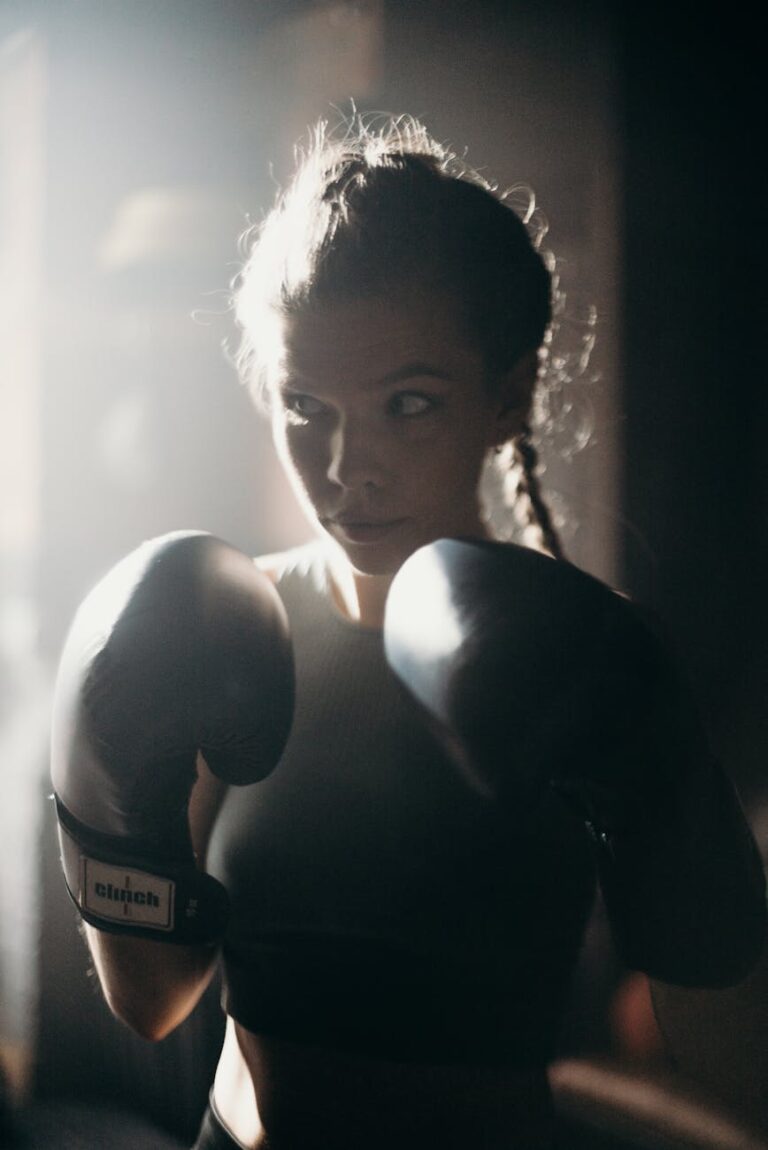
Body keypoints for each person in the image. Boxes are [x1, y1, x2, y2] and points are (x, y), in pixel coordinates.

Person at [50, 115, 766, 1150]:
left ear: (506, 396)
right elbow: (153, 1001)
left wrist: (665, 794)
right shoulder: (222, 631)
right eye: (308, 406)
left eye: (409, 403)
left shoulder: (584, 657)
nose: (349, 467)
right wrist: (102, 802)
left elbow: (717, 1030)